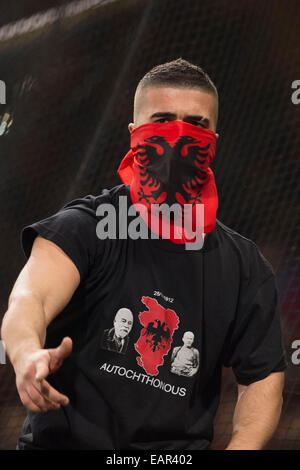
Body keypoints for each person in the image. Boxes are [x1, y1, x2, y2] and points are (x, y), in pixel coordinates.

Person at [1, 58, 287, 450]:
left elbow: (262, 375)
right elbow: (29, 298)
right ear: (134, 134)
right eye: (163, 119)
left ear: (214, 141)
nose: (179, 136)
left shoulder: (244, 266)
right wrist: (26, 355)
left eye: (197, 124)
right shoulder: (84, 227)